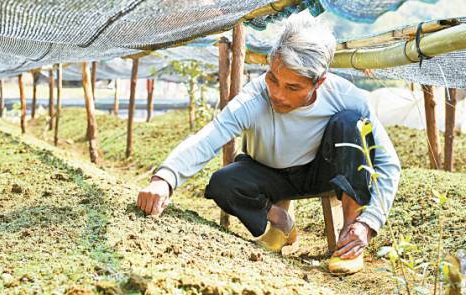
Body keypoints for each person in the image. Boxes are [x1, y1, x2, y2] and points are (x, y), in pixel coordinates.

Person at [136, 14, 401, 274]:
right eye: (273, 79)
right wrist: (164, 179)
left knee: (350, 123)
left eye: (293, 87)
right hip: (267, 173)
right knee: (222, 183)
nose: (278, 94)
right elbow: (209, 137)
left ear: (319, 82)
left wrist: (368, 223)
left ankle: (349, 239)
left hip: (323, 171)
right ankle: (281, 221)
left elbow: (388, 163)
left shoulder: (347, 97)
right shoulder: (254, 98)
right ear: (270, 65)